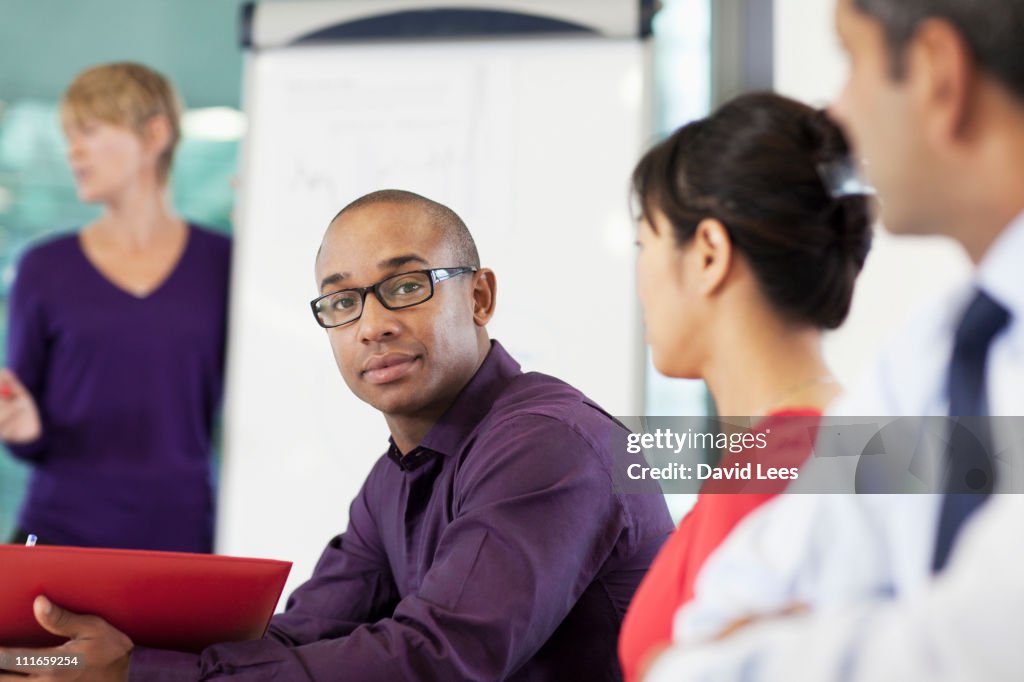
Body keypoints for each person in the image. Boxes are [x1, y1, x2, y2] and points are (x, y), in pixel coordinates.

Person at [0, 190, 673, 681]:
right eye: (343, 302)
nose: (371, 325)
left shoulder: (548, 443)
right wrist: (90, 654)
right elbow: (301, 635)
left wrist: (134, 677)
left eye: (405, 286)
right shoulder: (397, 477)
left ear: (479, 297)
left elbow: (438, 658)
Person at [641, 0, 1024, 679]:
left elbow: (976, 646)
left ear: (937, 72)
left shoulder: (792, 445)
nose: (838, 116)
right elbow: (737, 601)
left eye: (853, 60)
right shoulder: (937, 350)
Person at [617, 92, 872, 682]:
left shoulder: (776, 471)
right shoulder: (816, 445)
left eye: (644, 244)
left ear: (708, 253)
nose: (640, 276)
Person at [0, 63, 231, 552]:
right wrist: (22, 426)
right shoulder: (43, 268)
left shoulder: (224, 264)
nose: (72, 150)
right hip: (59, 535)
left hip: (182, 541)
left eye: (89, 130)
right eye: (68, 135)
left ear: (155, 133)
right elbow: (25, 424)